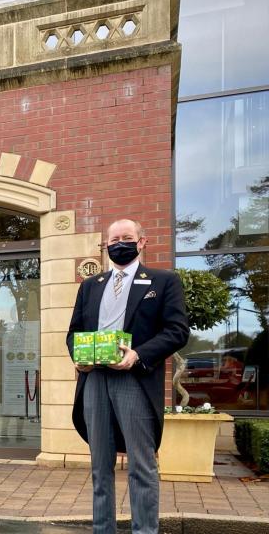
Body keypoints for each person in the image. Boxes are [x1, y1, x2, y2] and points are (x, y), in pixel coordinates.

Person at [67, 219, 189, 534]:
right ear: (106, 244)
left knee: (141, 465)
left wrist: (138, 354)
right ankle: (102, 529)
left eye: (127, 237)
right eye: (114, 238)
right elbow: (74, 332)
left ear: (142, 242)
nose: (120, 242)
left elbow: (177, 331)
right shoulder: (91, 285)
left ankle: (145, 530)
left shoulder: (163, 281)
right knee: (99, 467)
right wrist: (79, 360)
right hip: (94, 380)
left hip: (133, 380)